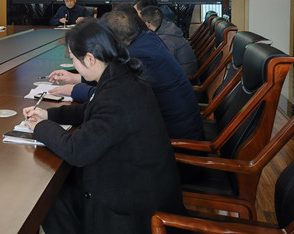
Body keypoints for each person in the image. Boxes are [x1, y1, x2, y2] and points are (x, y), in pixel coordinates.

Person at [23, 20, 185, 233]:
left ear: (89, 59)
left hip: (132, 211)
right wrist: (49, 114)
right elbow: (92, 109)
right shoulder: (121, 75)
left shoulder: (117, 95)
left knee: (50, 198)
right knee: (57, 193)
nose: (74, 64)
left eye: (74, 59)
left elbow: (76, 150)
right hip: (135, 183)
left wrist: (40, 126)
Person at [48, 9, 204, 140]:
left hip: (176, 139)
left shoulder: (138, 58)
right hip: (179, 125)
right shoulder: (147, 39)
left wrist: (76, 90)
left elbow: (115, 98)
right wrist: (77, 78)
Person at [140, 5, 198, 75]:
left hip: (184, 77)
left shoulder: (166, 39)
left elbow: (162, 64)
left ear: (147, 24)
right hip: (183, 71)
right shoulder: (168, 28)